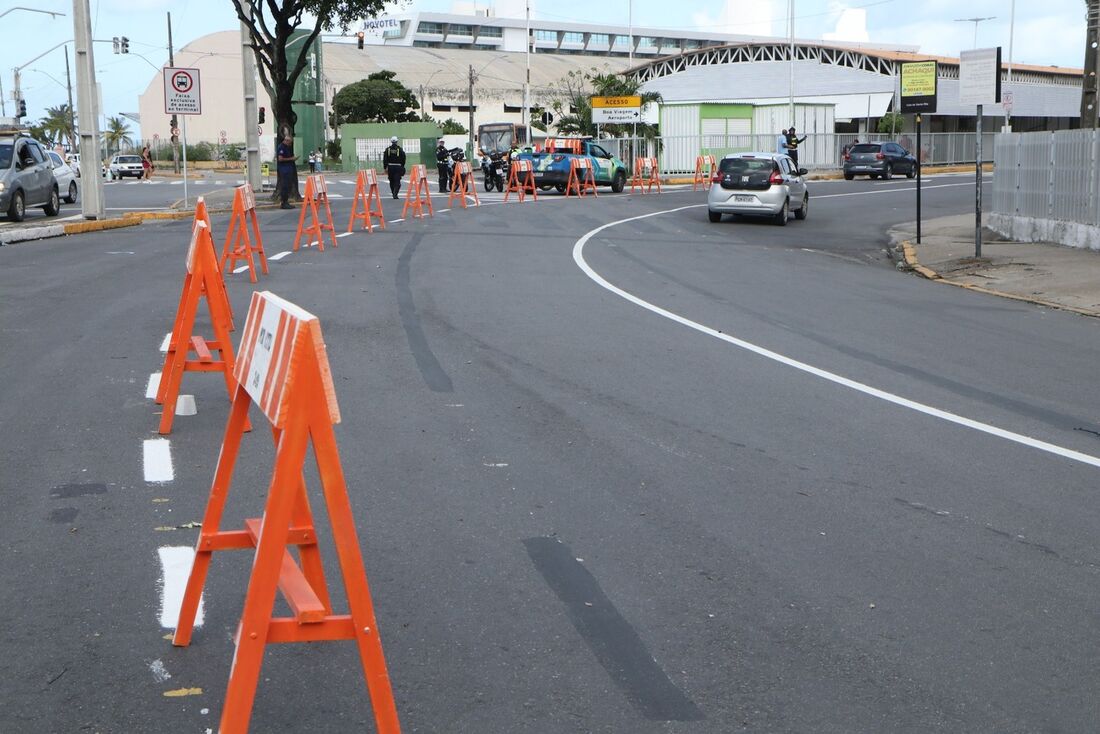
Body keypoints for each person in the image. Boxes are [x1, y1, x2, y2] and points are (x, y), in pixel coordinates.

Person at [276, 134, 297, 209]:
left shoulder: (286, 147)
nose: (290, 144)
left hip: (288, 169)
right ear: (286, 140)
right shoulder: (281, 147)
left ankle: (286, 201)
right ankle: (284, 202)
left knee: (288, 186)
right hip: (284, 170)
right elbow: (280, 159)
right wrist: (291, 158)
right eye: (289, 142)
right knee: (285, 186)